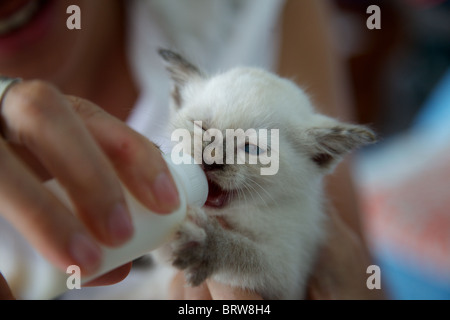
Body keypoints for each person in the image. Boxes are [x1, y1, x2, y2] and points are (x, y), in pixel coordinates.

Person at [0, 0, 383, 300]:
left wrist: (221, 251)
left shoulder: (294, 211)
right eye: (200, 131)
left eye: (249, 148)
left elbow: (284, 274)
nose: (213, 157)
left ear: (318, 157)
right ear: (178, 100)